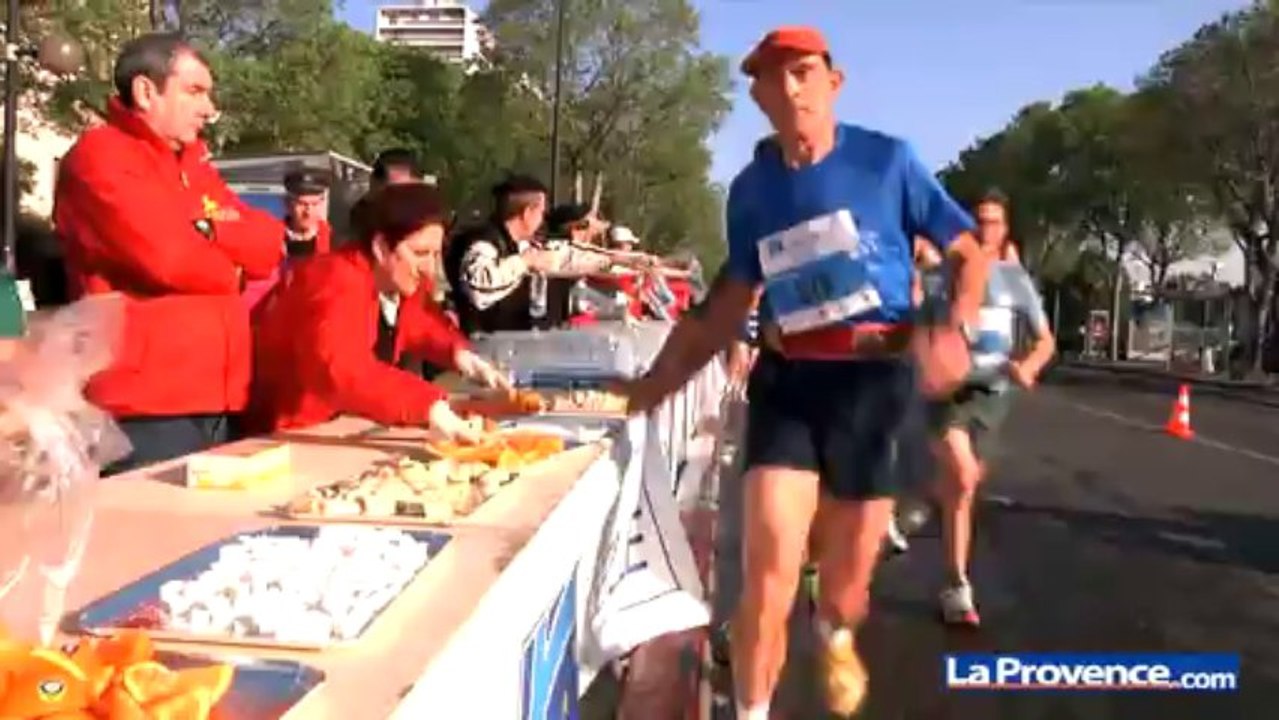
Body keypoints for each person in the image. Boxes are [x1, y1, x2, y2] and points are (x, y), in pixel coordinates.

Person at [616, 26, 989, 718]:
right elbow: (728, 303)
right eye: (772, 77)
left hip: (872, 389)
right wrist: (644, 392)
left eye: (803, 73)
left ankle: (836, 630)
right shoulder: (752, 191)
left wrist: (948, 326)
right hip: (789, 386)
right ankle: (752, 709)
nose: (790, 89)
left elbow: (967, 253)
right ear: (756, 95)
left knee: (843, 592)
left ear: (832, 83)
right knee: (768, 573)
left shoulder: (888, 163)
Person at [54, 32, 282, 471]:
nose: (209, 109)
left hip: (219, 400)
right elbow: (169, 260)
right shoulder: (99, 157)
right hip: (145, 409)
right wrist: (230, 262)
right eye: (195, 91)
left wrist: (206, 231)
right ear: (145, 91)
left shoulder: (194, 168)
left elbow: (270, 245)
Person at [247, 183, 510, 439]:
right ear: (381, 247)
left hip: (334, 427)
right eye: (420, 253)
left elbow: (419, 322)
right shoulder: (335, 281)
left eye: (435, 254)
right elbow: (341, 368)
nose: (430, 267)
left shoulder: (394, 279)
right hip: (284, 431)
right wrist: (426, 405)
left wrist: (459, 354)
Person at [921, 190, 1055, 627]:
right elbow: (917, 326)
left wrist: (1029, 366)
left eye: (994, 222)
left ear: (1005, 230)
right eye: (978, 220)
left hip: (992, 395)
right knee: (961, 474)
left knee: (965, 486)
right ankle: (959, 586)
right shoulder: (944, 273)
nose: (984, 228)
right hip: (948, 392)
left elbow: (1045, 340)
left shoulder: (1015, 280)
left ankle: (947, 569)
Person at [444, 175, 564, 335]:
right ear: (528, 213)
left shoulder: (518, 244)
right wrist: (525, 262)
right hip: (482, 346)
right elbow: (479, 287)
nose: (542, 220)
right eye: (542, 213)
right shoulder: (482, 242)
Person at [282, 167, 333, 259]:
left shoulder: (335, 241)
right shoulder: (272, 239)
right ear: (287, 203)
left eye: (314, 204)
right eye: (302, 204)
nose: (308, 212)